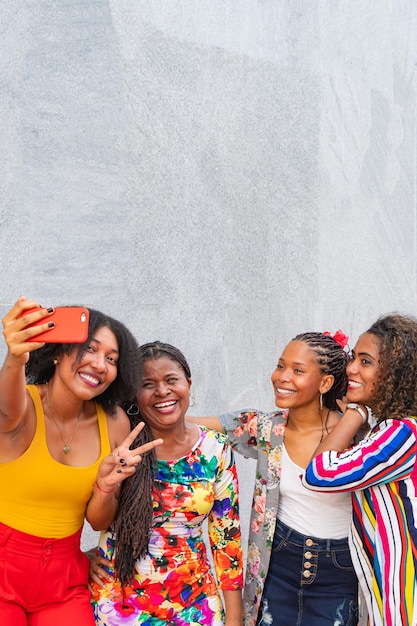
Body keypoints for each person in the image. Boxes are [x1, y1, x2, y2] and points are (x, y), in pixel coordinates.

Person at [0, 297, 162, 626]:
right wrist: (15, 359)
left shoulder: (114, 422)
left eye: (111, 358)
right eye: (90, 349)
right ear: (59, 352)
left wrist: (105, 487)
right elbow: (6, 412)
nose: (100, 364)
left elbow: (99, 522)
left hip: (62, 578)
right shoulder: (24, 405)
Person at [188, 331, 361, 626]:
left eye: (297, 370)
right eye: (280, 366)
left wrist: (357, 414)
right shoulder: (266, 428)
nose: (282, 377)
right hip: (276, 565)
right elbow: (187, 426)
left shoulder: (358, 435)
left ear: (325, 383)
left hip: (340, 573)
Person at [89, 341, 244, 626]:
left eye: (171, 380)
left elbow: (227, 539)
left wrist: (235, 617)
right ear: (134, 395)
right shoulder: (123, 444)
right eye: (148, 384)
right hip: (122, 604)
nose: (162, 391)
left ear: (188, 383)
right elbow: (97, 521)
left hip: (196, 602)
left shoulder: (215, 449)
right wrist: (107, 485)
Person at [303, 314, 417, 626]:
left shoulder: (403, 433)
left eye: (365, 362)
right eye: (354, 357)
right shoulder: (387, 431)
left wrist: (353, 414)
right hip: (388, 595)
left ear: (396, 373)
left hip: (404, 597)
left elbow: (319, 474)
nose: (351, 368)